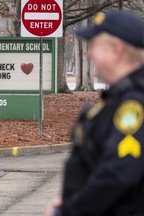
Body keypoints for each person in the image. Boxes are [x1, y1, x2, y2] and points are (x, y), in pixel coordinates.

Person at [44, 10, 144, 216]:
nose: (89, 54)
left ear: (116, 50)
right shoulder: (119, 97)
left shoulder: (134, 103)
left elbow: (118, 173)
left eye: (95, 46)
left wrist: (70, 210)